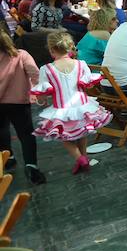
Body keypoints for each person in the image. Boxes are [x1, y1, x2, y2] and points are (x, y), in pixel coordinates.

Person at [31, 32, 112, 175]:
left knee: (64, 137)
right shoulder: (81, 64)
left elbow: (43, 91)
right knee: (82, 133)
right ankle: (83, 158)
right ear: (69, 48)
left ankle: (80, 159)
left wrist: (41, 100)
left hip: (62, 108)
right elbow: (88, 85)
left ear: (51, 50)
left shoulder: (47, 69)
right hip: (82, 106)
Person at [0, 31, 45, 184]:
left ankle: (8, 157)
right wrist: (38, 92)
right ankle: (32, 167)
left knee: (1, 130)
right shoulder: (21, 55)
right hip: (19, 102)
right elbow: (36, 75)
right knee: (26, 135)